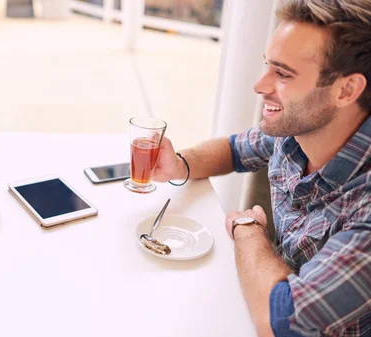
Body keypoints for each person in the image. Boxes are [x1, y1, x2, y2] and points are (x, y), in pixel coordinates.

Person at [152, 1, 371, 336]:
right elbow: (235, 149)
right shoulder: (297, 131)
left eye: (282, 73)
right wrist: (180, 163)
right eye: (268, 66)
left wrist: (247, 229)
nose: (261, 85)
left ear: (346, 90)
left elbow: (282, 321)